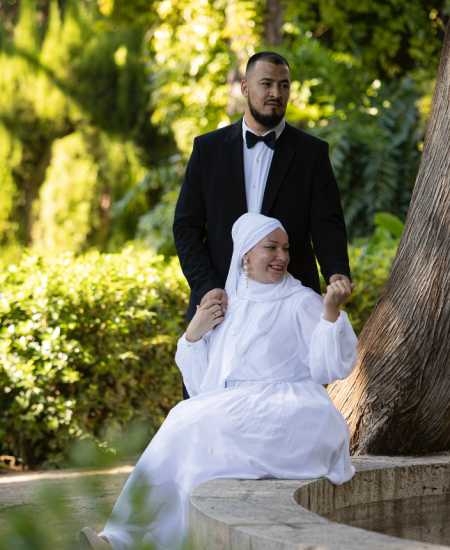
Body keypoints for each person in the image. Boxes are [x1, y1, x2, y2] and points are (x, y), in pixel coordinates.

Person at [80, 213, 358, 550]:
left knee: (188, 424)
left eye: (285, 248)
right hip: (241, 405)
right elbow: (204, 389)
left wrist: (330, 313)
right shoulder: (230, 302)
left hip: (293, 409)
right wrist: (194, 335)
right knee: (188, 432)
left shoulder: (300, 301)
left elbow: (329, 369)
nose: (282, 256)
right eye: (271, 247)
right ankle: (119, 540)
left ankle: (129, 542)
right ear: (245, 254)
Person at [173, 51, 354, 400]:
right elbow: (186, 227)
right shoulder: (207, 149)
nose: (276, 92)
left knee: (287, 394)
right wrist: (206, 285)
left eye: (284, 85)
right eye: (266, 83)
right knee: (206, 396)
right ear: (245, 88)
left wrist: (335, 273)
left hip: (284, 297)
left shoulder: (312, 152)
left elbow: (327, 222)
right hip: (221, 295)